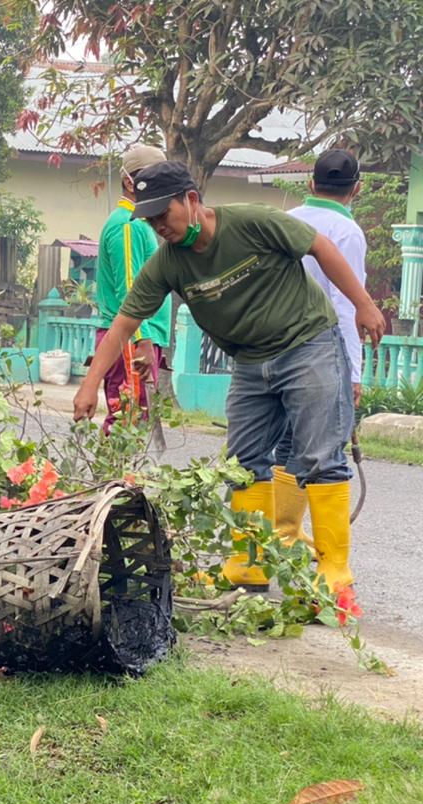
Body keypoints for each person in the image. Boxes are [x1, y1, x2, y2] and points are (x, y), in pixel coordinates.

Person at [73, 161, 385, 595]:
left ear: (192, 200)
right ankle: (248, 566)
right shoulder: (168, 263)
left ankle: (335, 574)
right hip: (250, 362)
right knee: (243, 464)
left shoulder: (252, 222)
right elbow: (124, 322)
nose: (159, 225)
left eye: (164, 213)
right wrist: (89, 385)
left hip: (308, 344)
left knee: (319, 458)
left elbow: (322, 248)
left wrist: (364, 305)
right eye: (151, 219)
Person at [272, 149, 368, 547]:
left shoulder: (286, 221)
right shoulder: (347, 232)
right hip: (321, 352)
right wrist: (354, 372)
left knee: (286, 442)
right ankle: (327, 554)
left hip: (274, 349)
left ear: (310, 184)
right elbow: (347, 305)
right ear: (357, 190)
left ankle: (283, 534)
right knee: (325, 449)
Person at [93, 143, 172, 433]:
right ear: (130, 182)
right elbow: (130, 290)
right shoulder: (129, 225)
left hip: (135, 338)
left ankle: (117, 478)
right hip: (130, 340)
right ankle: (111, 479)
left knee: (132, 421)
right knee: (126, 421)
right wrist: (143, 340)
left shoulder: (141, 223)